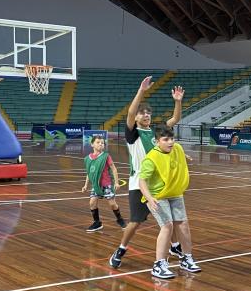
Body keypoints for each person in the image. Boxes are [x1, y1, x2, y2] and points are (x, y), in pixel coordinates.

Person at [109, 77, 184, 268]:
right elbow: (130, 112)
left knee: (170, 220)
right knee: (135, 222)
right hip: (138, 184)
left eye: (148, 113)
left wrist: (178, 101)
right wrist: (141, 91)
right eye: (142, 113)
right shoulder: (133, 134)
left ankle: (174, 246)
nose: (145, 115)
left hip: (159, 184)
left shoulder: (157, 132)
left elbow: (174, 120)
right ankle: (120, 249)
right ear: (136, 118)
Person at [138, 126, 201, 279]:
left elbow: (177, 153)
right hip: (157, 196)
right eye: (166, 140)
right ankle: (158, 265)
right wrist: (149, 197)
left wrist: (185, 156)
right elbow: (141, 181)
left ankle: (186, 258)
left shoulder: (177, 148)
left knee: (183, 224)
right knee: (167, 226)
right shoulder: (151, 158)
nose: (170, 142)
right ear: (157, 141)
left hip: (175, 193)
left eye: (172, 138)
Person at [82, 134, 126, 231]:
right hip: (96, 185)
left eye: (102, 143)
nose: (101, 144)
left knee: (112, 204)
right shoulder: (88, 159)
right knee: (92, 202)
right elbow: (89, 173)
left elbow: (114, 169)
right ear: (92, 144)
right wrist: (85, 185)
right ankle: (97, 223)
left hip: (107, 184)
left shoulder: (106, 156)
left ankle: (120, 219)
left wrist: (117, 182)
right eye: (98, 142)